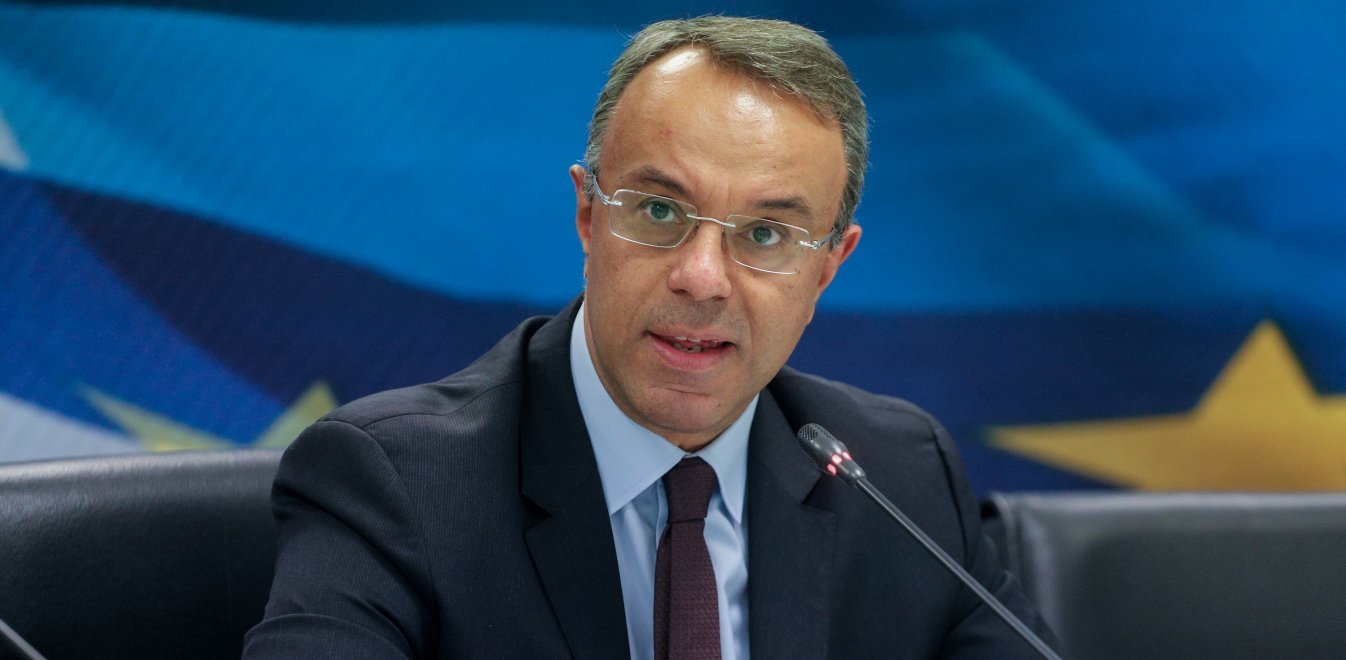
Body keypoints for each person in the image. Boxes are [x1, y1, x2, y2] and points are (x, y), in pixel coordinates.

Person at [244, 16, 1055, 659]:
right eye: (660, 211)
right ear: (588, 215)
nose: (702, 278)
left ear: (827, 269)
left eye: (766, 235)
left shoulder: (898, 476)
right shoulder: (393, 485)